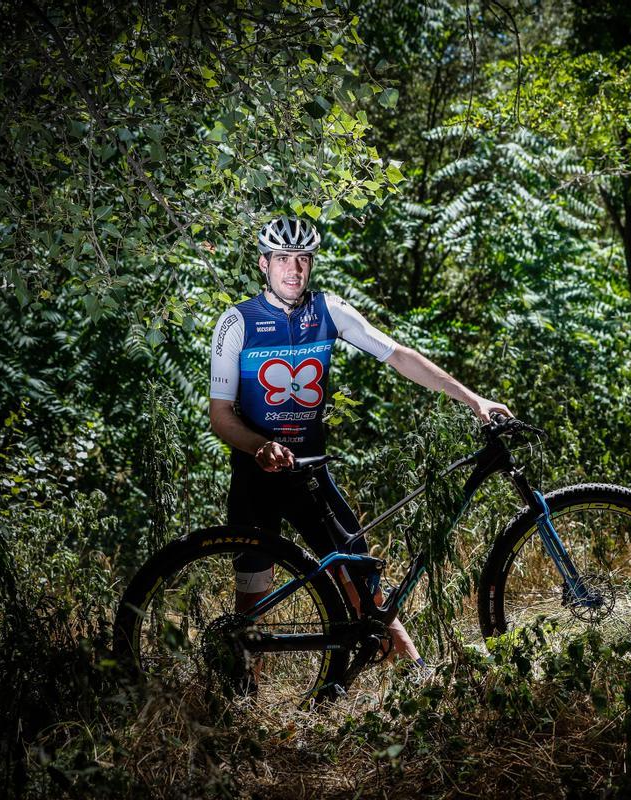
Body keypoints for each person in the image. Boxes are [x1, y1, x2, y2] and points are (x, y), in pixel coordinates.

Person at [208, 216, 511, 668]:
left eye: (303, 260)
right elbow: (220, 417)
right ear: (264, 264)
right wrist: (259, 447)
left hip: (310, 473)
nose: (294, 269)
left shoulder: (329, 311)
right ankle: (243, 699)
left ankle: (415, 676)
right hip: (256, 476)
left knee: (361, 580)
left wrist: (472, 400)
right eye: (284, 260)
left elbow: (399, 356)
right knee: (253, 596)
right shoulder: (237, 323)